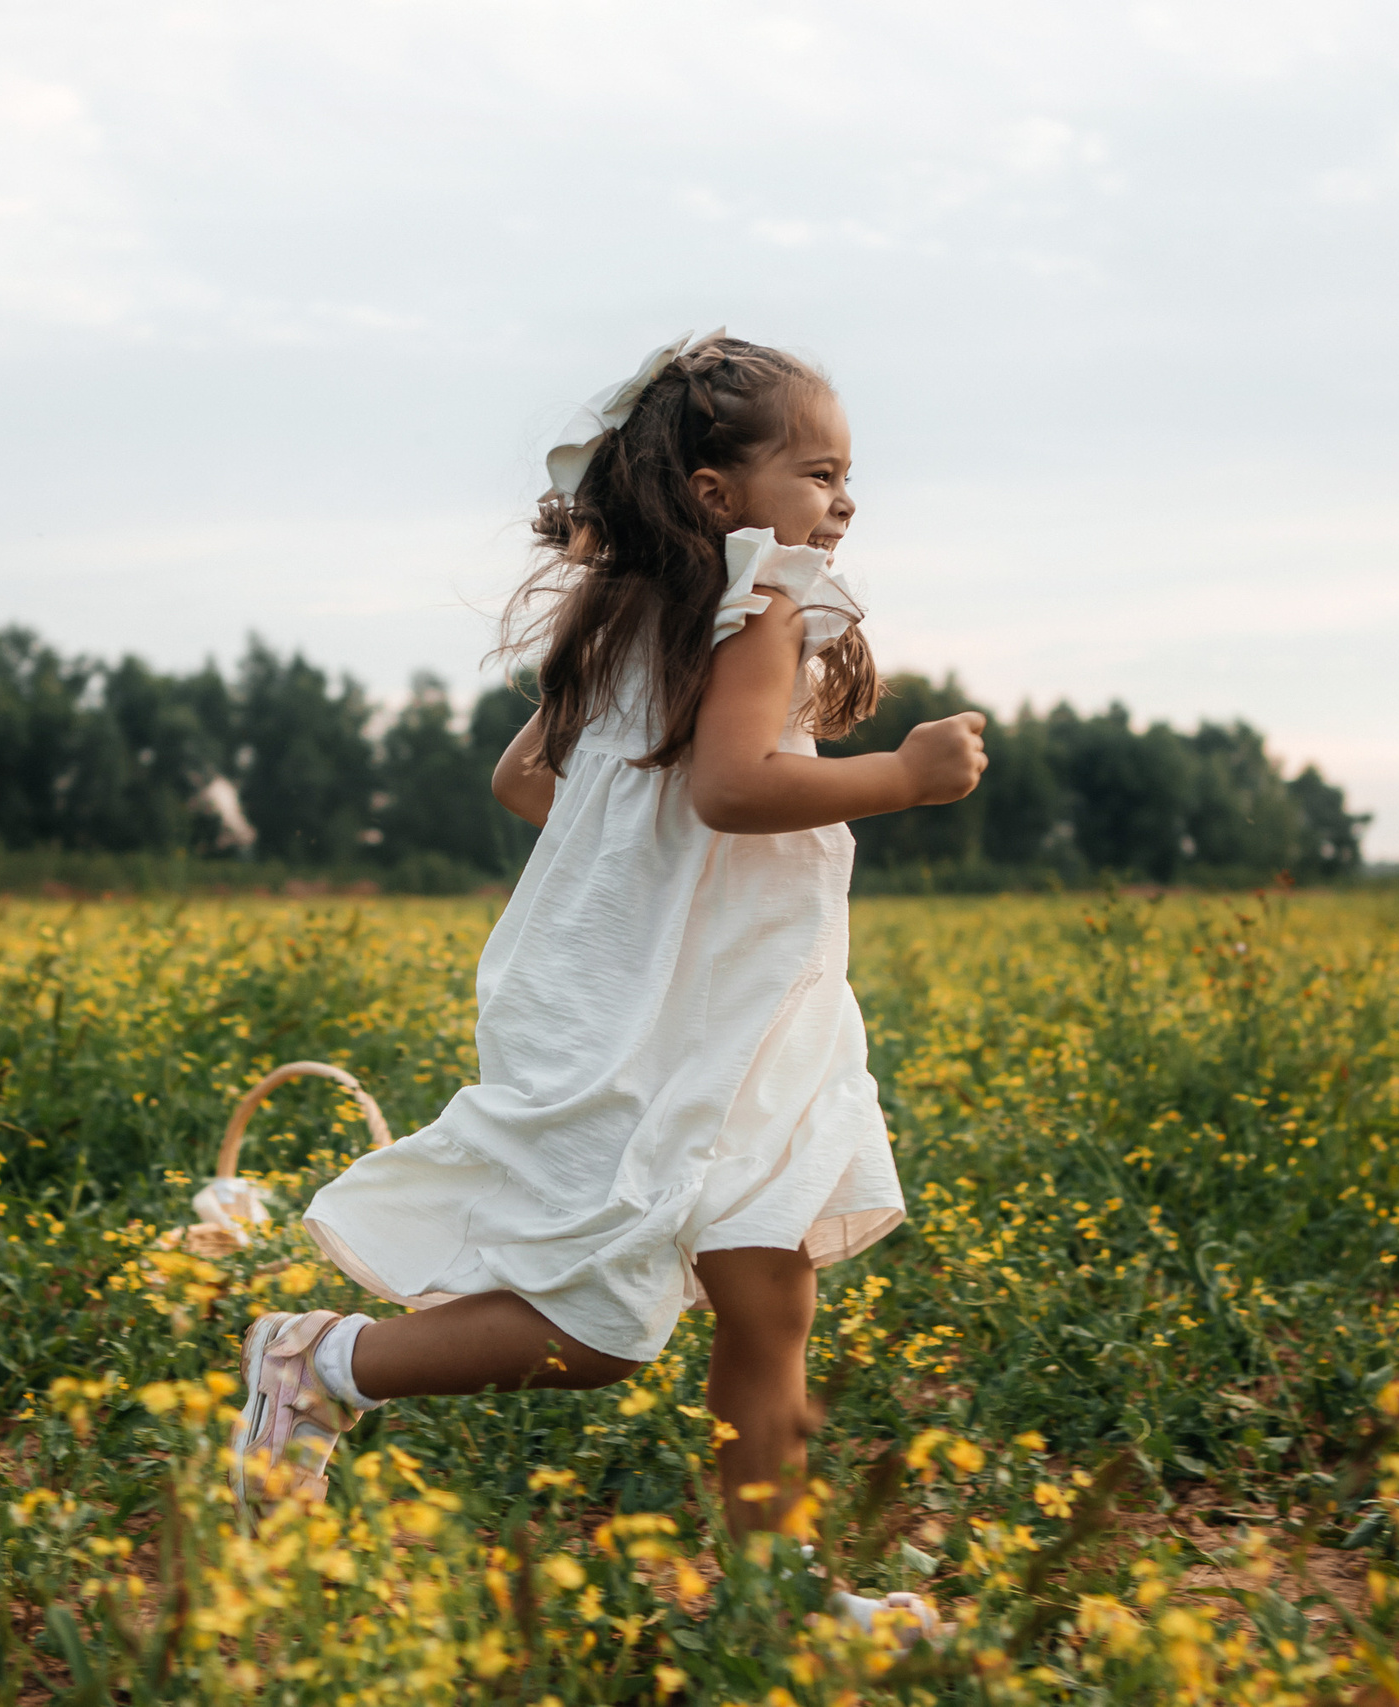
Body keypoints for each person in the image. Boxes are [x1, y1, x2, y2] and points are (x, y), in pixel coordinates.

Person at [233, 330, 986, 1633]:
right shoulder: (759, 604)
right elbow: (735, 786)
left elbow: (530, 783)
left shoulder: (640, 613)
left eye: (849, 476)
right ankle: (324, 1364)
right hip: (704, 1031)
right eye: (817, 471)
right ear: (716, 492)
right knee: (596, 1329)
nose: (845, 500)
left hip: (747, 1021)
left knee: (770, 1300)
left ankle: (776, 1595)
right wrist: (901, 779)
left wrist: (637, 881)